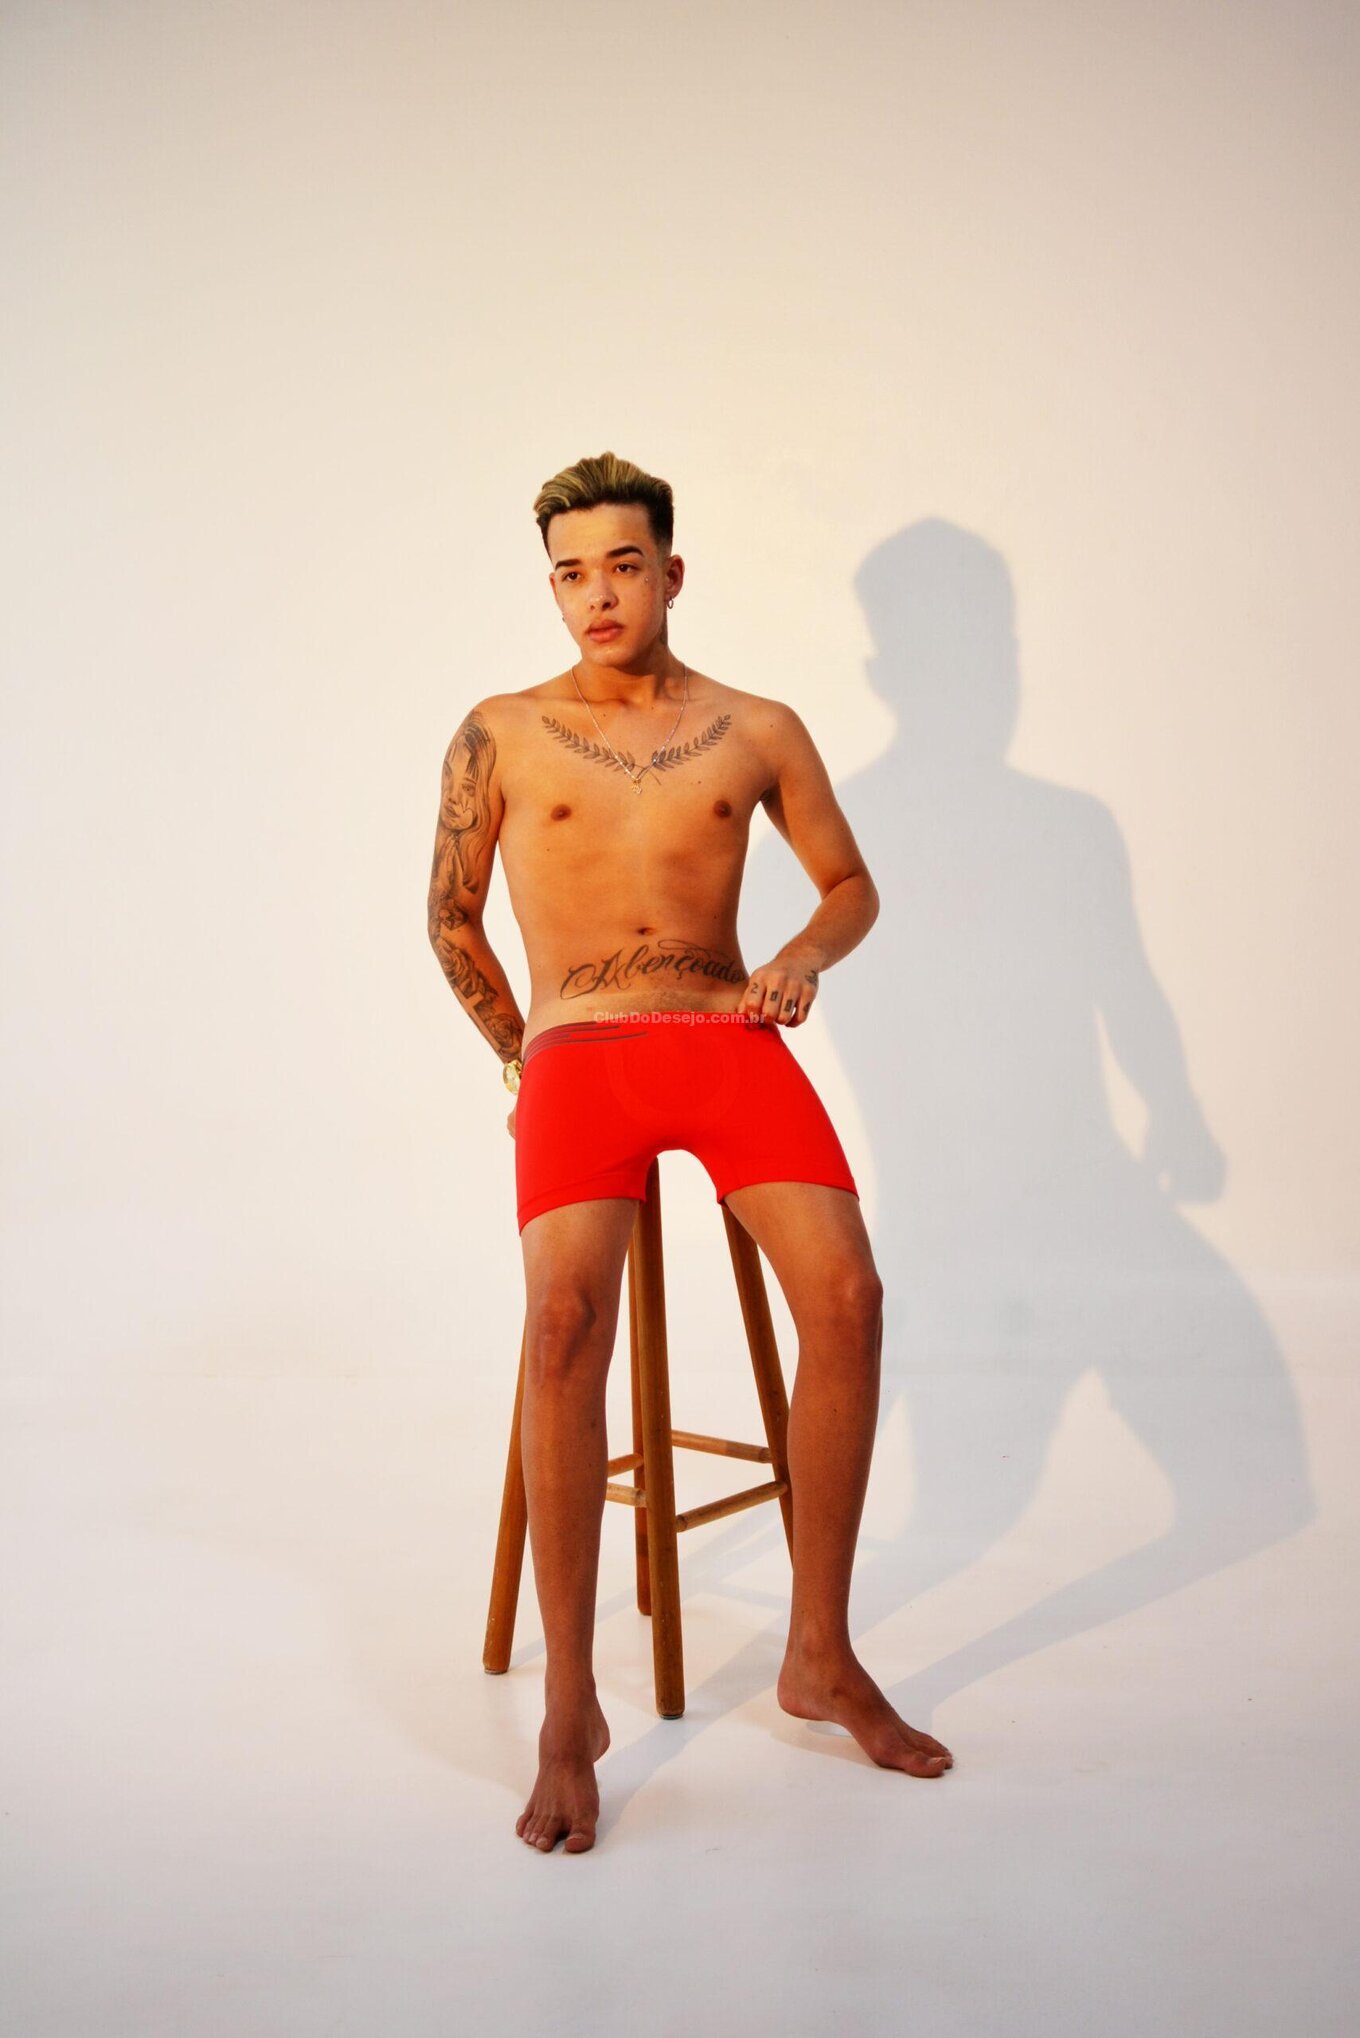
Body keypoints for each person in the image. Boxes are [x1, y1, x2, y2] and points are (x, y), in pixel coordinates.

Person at [426, 451, 953, 1854]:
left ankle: (819, 1654)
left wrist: (801, 957)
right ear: (551, 586)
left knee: (850, 1296)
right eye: (570, 573)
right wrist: (518, 1051)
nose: (596, 594)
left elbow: (851, 883)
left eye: (622, 565)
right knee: (560, 1320)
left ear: (670, 571)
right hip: (579, 1054)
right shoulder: (499, 730)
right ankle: (570, 1709)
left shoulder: (755, 728)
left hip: (726, 1038)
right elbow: (450, 916)